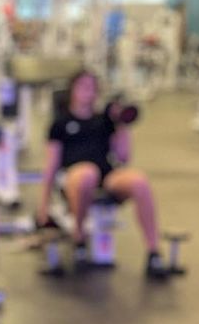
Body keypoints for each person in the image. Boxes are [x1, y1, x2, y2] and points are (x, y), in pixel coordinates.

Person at [35, 68, 170, 279]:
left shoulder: (104, 120)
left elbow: (123, 157)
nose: (88, 91)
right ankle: (79, 237)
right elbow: (51, 165)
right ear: (72, 90)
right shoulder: (60, 123)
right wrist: (43, 204)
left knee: (140, 181)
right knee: (88, 174)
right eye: (83, 86)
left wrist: (121, 126)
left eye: (92, 87)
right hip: (74, 176)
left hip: (106, 175)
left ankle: (154, 252)